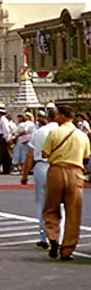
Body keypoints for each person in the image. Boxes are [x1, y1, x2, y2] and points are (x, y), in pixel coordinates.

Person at [40, 105, 90, 260]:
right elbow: (86, 157)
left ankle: (53, 238)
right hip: (75, 172)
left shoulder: (55, 133)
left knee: (51, 208)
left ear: (62, 116)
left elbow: (44, 153)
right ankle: (67, 249)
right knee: (73, 212)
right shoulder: (82, 136)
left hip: (56, 170)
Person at [23, 107, 57, 250]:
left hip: (42, 166)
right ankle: (58, 237)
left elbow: (30, 154)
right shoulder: (70, 131)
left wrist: (25, 174)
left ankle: (44, 237)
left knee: (42, 203)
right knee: (60, 204)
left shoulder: (40, 132)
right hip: (60, 167)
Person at [0, 105, 13, 174]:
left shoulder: (3, 120)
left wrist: (7, 138)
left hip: (2, 137)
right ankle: (6, 168)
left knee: (0, 153)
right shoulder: (2, 120)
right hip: (2, 136)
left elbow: (6, 130)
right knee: (5, 154)